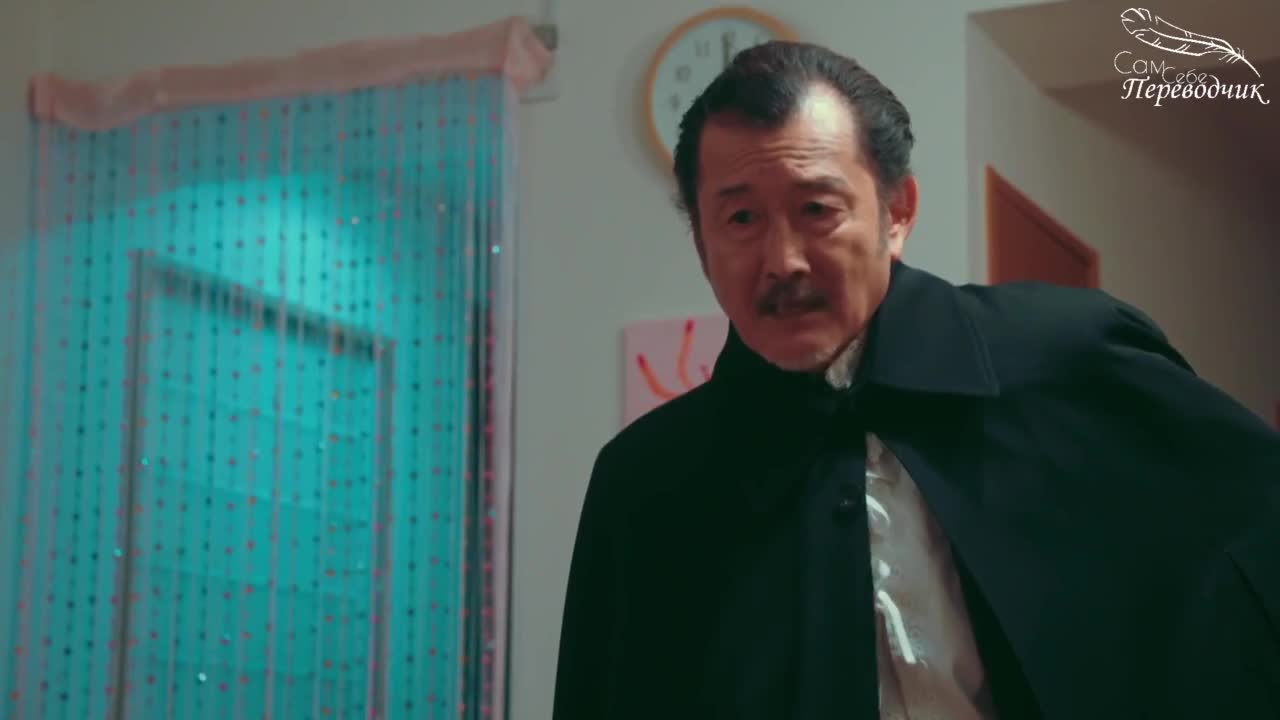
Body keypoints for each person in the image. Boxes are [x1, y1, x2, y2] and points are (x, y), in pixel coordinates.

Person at [551, 41, 1280, 719]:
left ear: (897, 213)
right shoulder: (648, 484)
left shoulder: (1070, 359)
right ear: (701, 242)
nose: (783, 262)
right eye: (741, 218)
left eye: (817, 209)